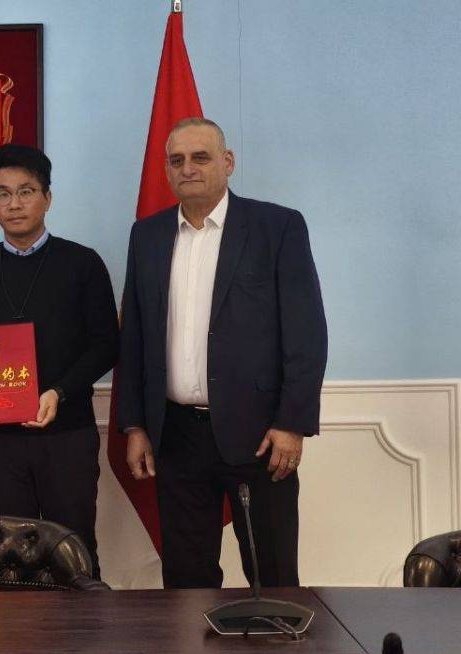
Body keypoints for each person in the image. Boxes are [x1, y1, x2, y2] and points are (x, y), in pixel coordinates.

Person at [118, 117, 328, 588]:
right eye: (177, 160)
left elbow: (306, 333)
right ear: (167, 170)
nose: (187, 168)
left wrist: (292, 423)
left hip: (260, 434)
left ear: (227, 162)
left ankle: (275, 642)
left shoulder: (277, 227)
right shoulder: (146, 236)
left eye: (201, 157)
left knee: (271, 574)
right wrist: (134, 425)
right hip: (175, 435)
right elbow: (135, 338)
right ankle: (193, 644)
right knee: (186, 579)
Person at [0, 144, 118, 574]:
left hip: (67, 436)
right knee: (7, 558)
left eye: (26, 191)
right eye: (3, 194)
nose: (14, 203)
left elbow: (106, 344)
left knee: (73, 551)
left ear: (47, 198)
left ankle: (81, 622)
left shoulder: (83, 264)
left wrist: (59, 391)